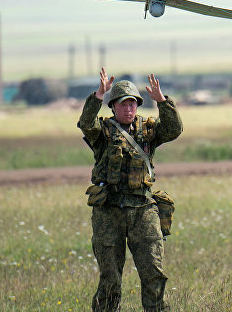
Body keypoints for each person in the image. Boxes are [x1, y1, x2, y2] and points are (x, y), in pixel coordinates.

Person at [78, 68, 183, 311]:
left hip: (143, 209)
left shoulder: (148, 130)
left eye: (133, 104)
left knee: (153, 274)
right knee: (110, 278)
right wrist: (97, 96)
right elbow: (85, 123)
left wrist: (163, 102)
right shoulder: (102, 132)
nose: (128, 108)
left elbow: (174, 130)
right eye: (123, 104)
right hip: (109, 211)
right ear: (113, 106)